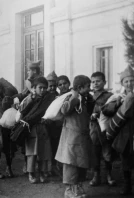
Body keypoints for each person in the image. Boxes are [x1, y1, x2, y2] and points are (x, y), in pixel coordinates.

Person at [55, 75, 95, 198]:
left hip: (81, 137)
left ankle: (77, 186)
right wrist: (75, 98)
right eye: (88, 86)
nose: (90, 88)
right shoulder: (71, 97)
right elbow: (64, 110)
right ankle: (68, 190)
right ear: (79, 87)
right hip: (71, 137)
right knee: (71, 164)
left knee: (81, 163)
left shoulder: (85, 97)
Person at [102, 66, 134, 195]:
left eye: (132, 80)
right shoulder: (118, 96)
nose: (129, 83)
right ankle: (127, 186)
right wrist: (118, 104)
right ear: (122, 83)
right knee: (125, 161)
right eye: (126, 81)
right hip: (124, 134)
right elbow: (105, 111)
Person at [20, 77, 55, 183]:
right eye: (40, 87)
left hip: (43, 128)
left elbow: (52, 115)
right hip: (31, 129)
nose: (43, 90)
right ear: (34, 88)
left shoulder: (49, 100)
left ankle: (42, 172)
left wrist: (47, 121)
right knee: (32, 152)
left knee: (43, 151)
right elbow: (21, 113)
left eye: (45, 88)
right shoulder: (28, 99)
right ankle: (31, 173)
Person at [88, 72, 115, 187]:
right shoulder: (89, 96)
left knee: (107, 152)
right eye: (93, 82)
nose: (95, 84)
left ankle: (109, 175)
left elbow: (112, 109)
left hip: (105, 128)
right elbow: (86, 111)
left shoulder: (109, 96)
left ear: (104, 82)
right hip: (93, 128)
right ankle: (96, 176)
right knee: (95, 152)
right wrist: (90, 115)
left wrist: (99, 112)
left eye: (98, 81)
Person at [45, 71, 63, 177]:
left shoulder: (58, 96)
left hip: (56, 125)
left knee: (55, 145)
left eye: (54, 86)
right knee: (46, 147)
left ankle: (54, 165)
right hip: (46, 125)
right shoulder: (44, 96)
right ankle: (45, 168)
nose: (52, 88)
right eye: (50, 86)